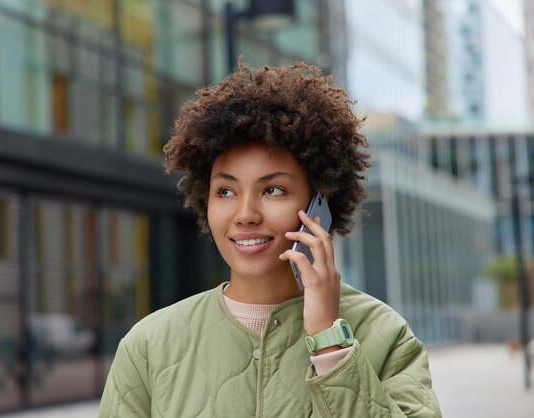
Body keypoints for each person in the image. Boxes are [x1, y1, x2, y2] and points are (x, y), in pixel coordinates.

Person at [98, 63, 442, 417]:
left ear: (319, 203)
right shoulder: (149, 345)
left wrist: (330, 343)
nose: (245, 213)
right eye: (226, 190)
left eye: (273, 190)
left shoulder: (384, 333)